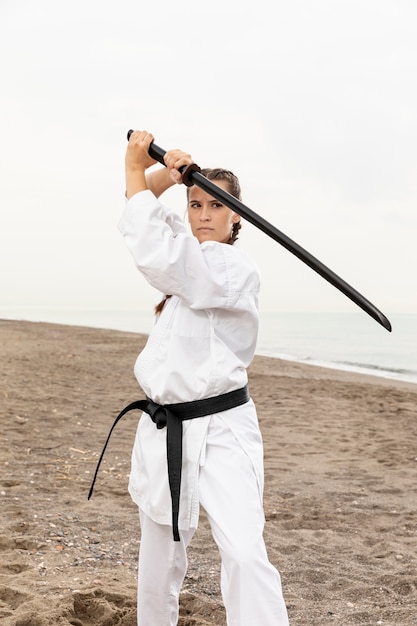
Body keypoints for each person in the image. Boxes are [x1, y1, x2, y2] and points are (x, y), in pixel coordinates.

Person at [119, 130, 289, 626]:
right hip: (164, 427)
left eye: (216, 206)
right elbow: (142, 210)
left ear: (237, 214)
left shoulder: (232, 268)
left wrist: (132, 166)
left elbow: (157, 252)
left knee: (241, 551)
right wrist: (165, 176)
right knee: (157, 561)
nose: (203, 216)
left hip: (221, 432)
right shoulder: (191, 253)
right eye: (195, 205)